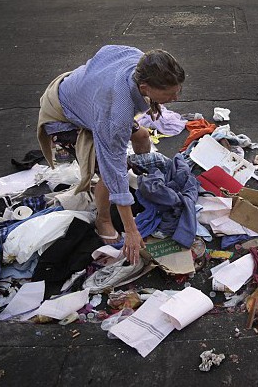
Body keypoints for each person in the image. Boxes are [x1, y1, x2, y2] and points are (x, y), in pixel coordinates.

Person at [37, 45, 185, 264]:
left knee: (142, 136)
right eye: (169, 94)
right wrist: (131, 230)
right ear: (144, 87)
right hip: (64, 115)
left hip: (89, 96)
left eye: (177, 90)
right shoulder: (116, 115)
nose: (176, 97)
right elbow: (112, 168)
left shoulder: (138, 59)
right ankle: (103, 218)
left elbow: (104, 51)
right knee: (112, 173)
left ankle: (142, 184)